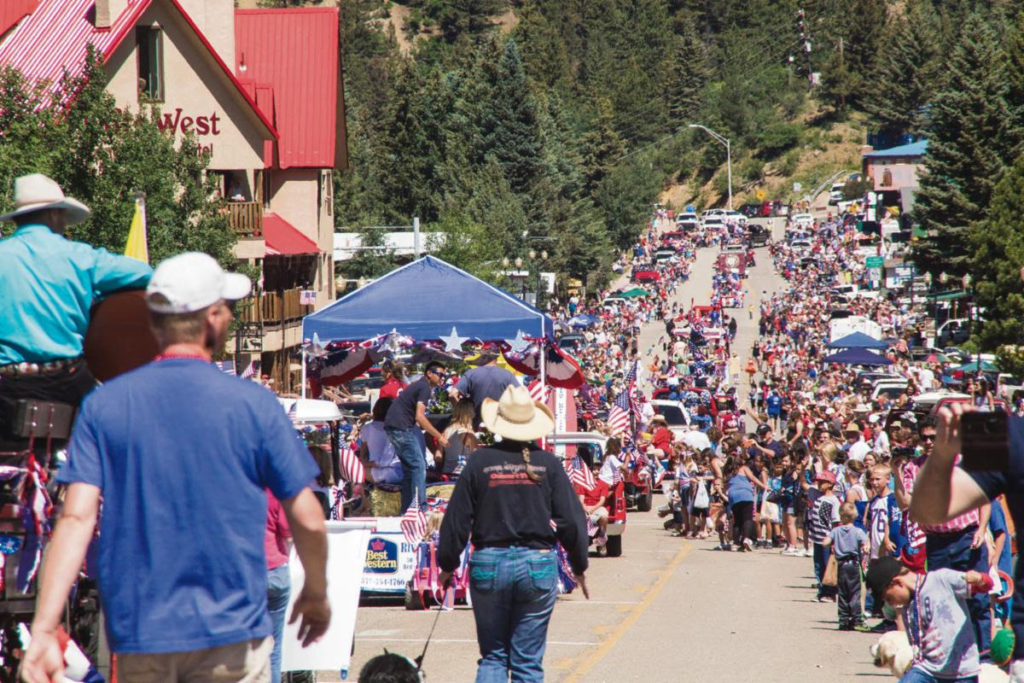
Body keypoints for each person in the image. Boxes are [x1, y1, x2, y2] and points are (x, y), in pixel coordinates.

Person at [20, 252, 330, 683]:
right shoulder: (253, 404)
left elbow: (75, 518)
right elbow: (308, 518)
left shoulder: (105, 405)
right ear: (215, 319)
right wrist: (316, 592)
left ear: (153, 323)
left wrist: (43, 629)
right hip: (232, 636)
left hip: (140, 635)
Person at [437, 385, 589, 682]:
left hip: (489, 562)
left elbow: (456, 519)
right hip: (536, 563)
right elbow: (572, 520)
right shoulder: (548, 463)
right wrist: (579, 564)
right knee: (527, 664)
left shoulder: (479, 462)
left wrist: (446, 564)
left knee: (494, 657)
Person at [0, 173, 152, 441]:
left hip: (7, 385)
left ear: (17, 219)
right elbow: (144, 273)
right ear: (54, 216)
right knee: (114, 438)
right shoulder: (82, 258)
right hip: (66, 381)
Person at [866, 556, 992, 683]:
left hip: (962, 671)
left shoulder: (940, 580)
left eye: (888, 598)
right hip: (927, 670)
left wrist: (979, 579)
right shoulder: (907, 609)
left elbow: (986, 586)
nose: (891, 604)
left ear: (898, 582)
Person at [384, 361, 450, 513]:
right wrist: (439, 437)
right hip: (401, 427)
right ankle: (420, 509)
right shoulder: (424, 387)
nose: (443, 379)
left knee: (410, 470)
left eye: (445, 376)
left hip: (395, 427)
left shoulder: (419, 385)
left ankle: (407, 510)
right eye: (440, 374)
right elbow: (420, 417)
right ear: (429, 373)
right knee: (419, 467)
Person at [822, 502, 869, 630]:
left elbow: (825, 542)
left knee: (842, 592)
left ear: (841, 516)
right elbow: (865, 544)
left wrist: (830, 542)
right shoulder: (858, 531)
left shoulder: (835, 531)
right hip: (853, 564)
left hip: (841, 564)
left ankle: (843, 619)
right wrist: (865, 548)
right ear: (854, 516)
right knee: (855, 592)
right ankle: (857, 619)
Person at [266, 492, 292, 683]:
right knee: (273, 651)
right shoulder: (273, 492)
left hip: (245, 573)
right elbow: (288, 531)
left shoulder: (233, 490)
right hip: (276, 571)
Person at [448, 352, 520, 420]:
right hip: (500, 422)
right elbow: (521, 396)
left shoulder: (471, 373)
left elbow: (452, 394)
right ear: (496, 359)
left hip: (476, 422)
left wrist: (464, 414)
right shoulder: (507, 374)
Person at [808, 470, 841, 601]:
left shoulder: (833, 501)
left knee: (828, 565)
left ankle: (830, 592)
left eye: (823, 482)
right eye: (819, 482)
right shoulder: (819, 498)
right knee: (818, 565)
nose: (819, 484)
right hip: (817, 538)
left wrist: (834, 541)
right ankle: (822, 590)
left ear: (830, 484)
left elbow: (835, 522)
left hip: (827, 538)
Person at [359, 397, 403, 485]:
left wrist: (365, 463)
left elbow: (362, 455)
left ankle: (363, 497)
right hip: (398, 471)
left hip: (378, 471)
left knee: (359, 474)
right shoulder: (397, 429)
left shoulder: (367, 428)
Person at [435, 398, 479, 478]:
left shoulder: (447, 430)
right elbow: (476, 457)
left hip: (446, 475)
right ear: (470, 412)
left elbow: (438, 456)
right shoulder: (468, 433)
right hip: (463, 475)